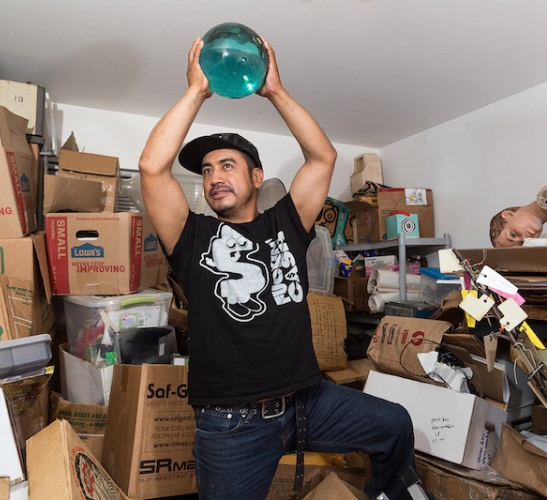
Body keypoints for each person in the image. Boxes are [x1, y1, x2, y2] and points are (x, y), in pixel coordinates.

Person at [138, 36, 417, 499]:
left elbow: (323, 157)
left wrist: (275, 92)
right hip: (232, 425)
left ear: (255, 178)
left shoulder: (285, 222)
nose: (214, 177)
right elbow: (152, 167)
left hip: (309, 401)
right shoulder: (191, 238)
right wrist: (196, 91)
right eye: (206, 171)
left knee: (395, 425)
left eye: (227, 165)